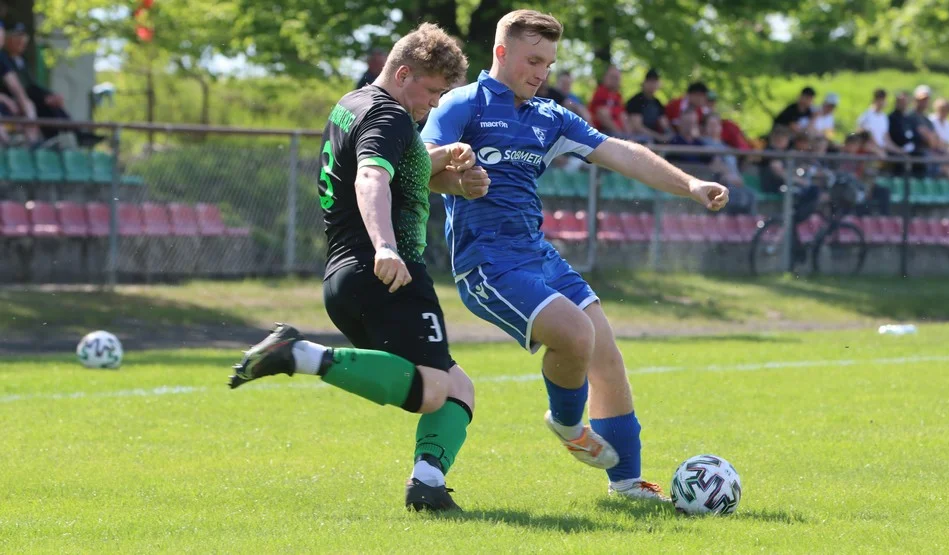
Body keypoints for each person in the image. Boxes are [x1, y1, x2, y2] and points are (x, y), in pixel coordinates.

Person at [421, 9, 728, 502]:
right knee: (577, 335)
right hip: (488, 263)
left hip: (538, 253)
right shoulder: (464, 104)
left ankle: (628, 483)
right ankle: (566, 424)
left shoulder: (549, 117)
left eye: (548, 63)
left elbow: (621, 151)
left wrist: (690, 184)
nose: (541, 73)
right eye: (533, 60)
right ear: (501, 52)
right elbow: (422, 165)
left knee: (605, 353)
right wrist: (458, 180)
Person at [229, 23, 489, 513]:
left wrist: (445, 164)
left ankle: (427, 484)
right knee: (433, 390)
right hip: (387, 273)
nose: (434, 105)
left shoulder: (353, 104)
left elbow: (398, 166)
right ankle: (298, 354)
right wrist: (386, 247)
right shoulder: (390, 117)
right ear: (404, 74)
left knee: (458, 388)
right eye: (432, 92)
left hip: (345, 278)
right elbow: (371, 177)